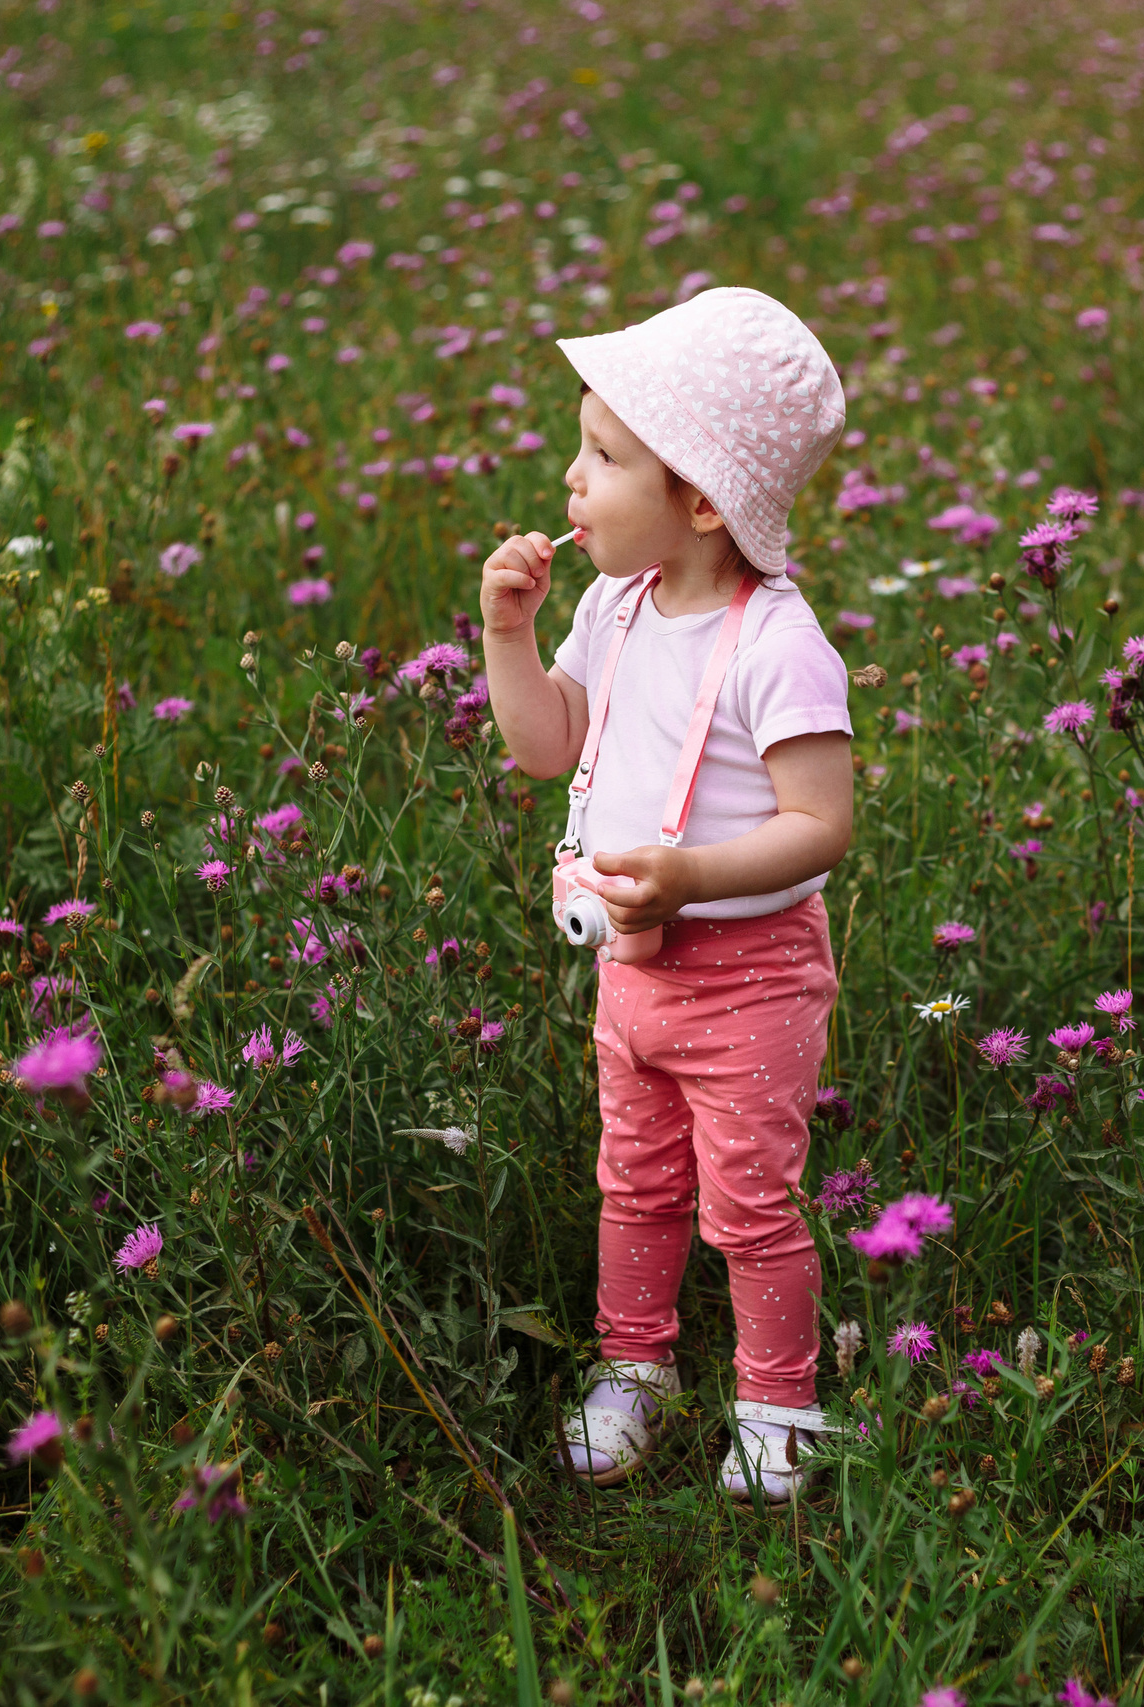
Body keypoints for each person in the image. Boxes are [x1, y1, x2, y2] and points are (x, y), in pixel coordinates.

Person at [477, 287, 854, 1504]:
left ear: (698, 501)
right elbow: (549, 746)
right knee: (632, 1183)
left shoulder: (774, 645)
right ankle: (638, 1367)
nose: (571, 482)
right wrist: (510, 641)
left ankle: (778, 1400)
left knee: (748, 1206)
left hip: (746, 981)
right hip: (629, 975)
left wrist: (690, 876)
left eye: (601, 457)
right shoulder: (613, 605)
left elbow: (821, 823)